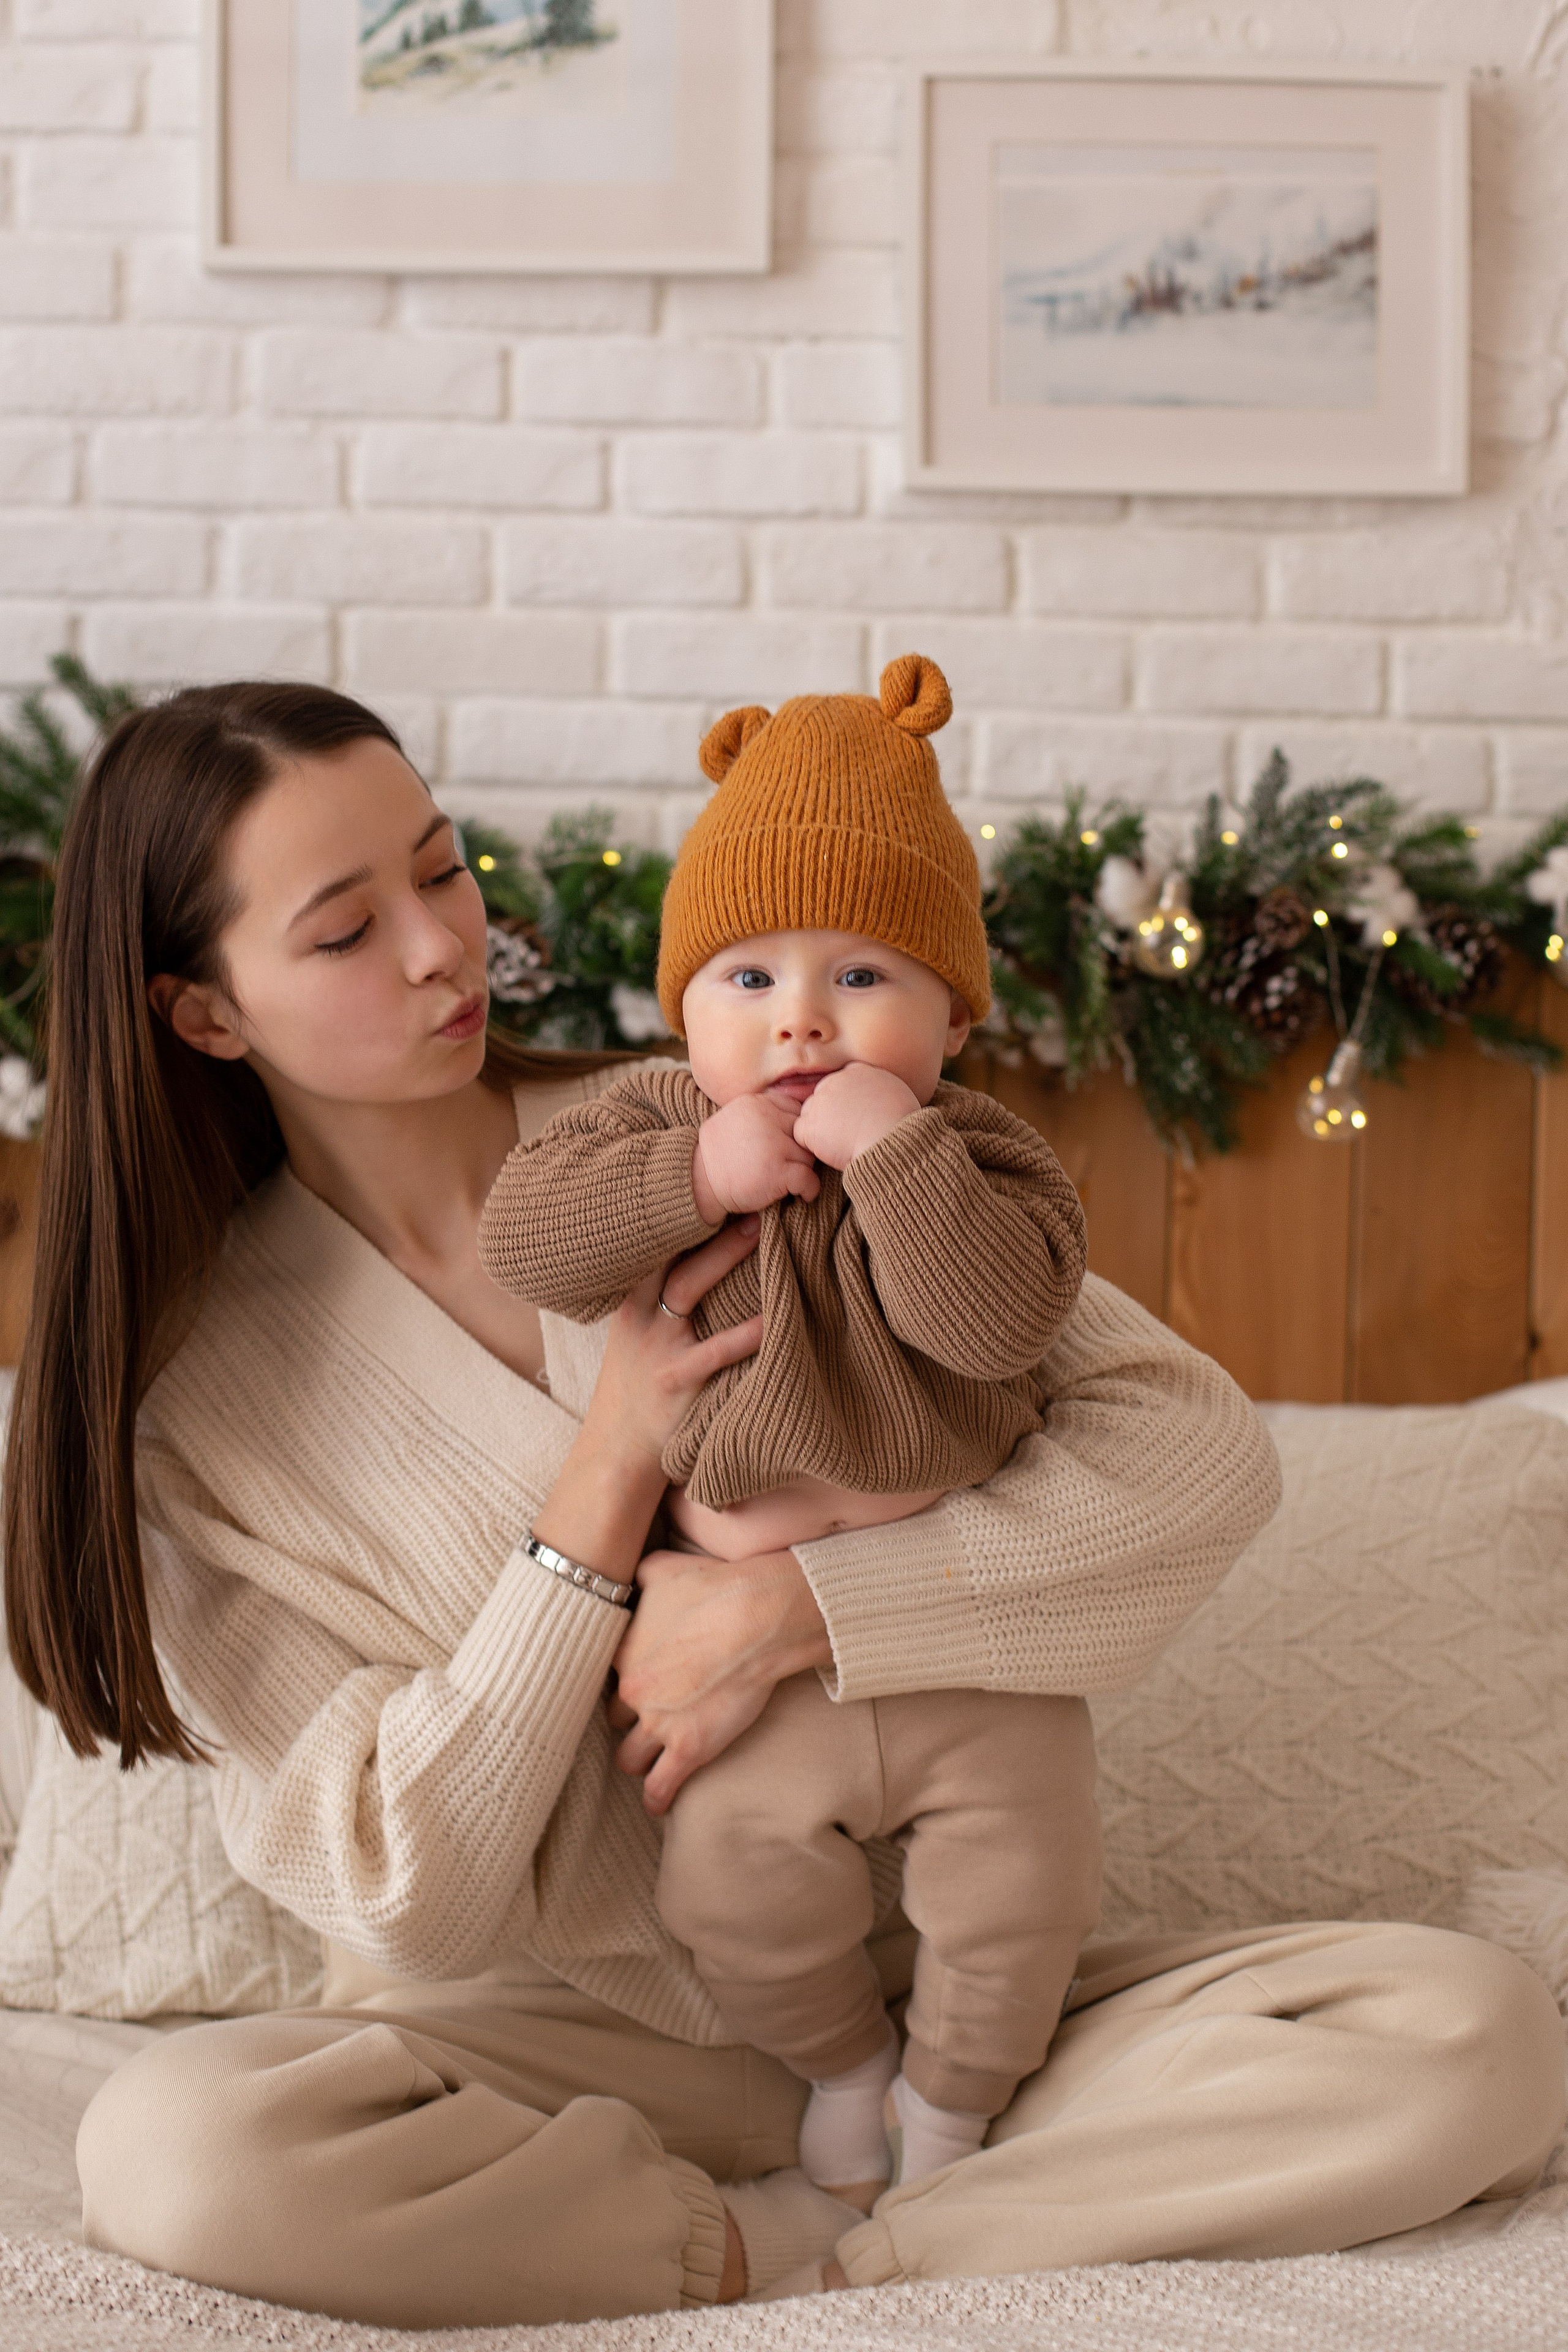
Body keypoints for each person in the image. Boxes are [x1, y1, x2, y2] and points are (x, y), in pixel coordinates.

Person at [3, 684, 1559, 2332]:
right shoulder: (186, 1416)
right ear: (204, 1016)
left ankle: (872, 2251)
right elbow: (411, 1889)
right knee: (180, 2158)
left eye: (443, 873)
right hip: (548, 2054)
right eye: (344, 932)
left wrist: (799, 1611)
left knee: (1480, 2039)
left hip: (938, 1999)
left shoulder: (731, 1118)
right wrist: (607, 1481)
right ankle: (746, 2255)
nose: (441, 949)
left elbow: (1193, 1452)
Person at [478, 654, 1101, 2206]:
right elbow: (529, 1246)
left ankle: (955, 2106)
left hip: (975, 1648)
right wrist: (698, 1184)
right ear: (680, 1008)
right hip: (757, 1697)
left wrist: (894, 1162)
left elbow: (995, 1326)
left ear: (954, 1010)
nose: (803, 1023)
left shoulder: (980, 1155)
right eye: (747, 981)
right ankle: (842, 2066)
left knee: (1023, 1891)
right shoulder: (655, 1126)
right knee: (730, 1886)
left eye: (863, 978)